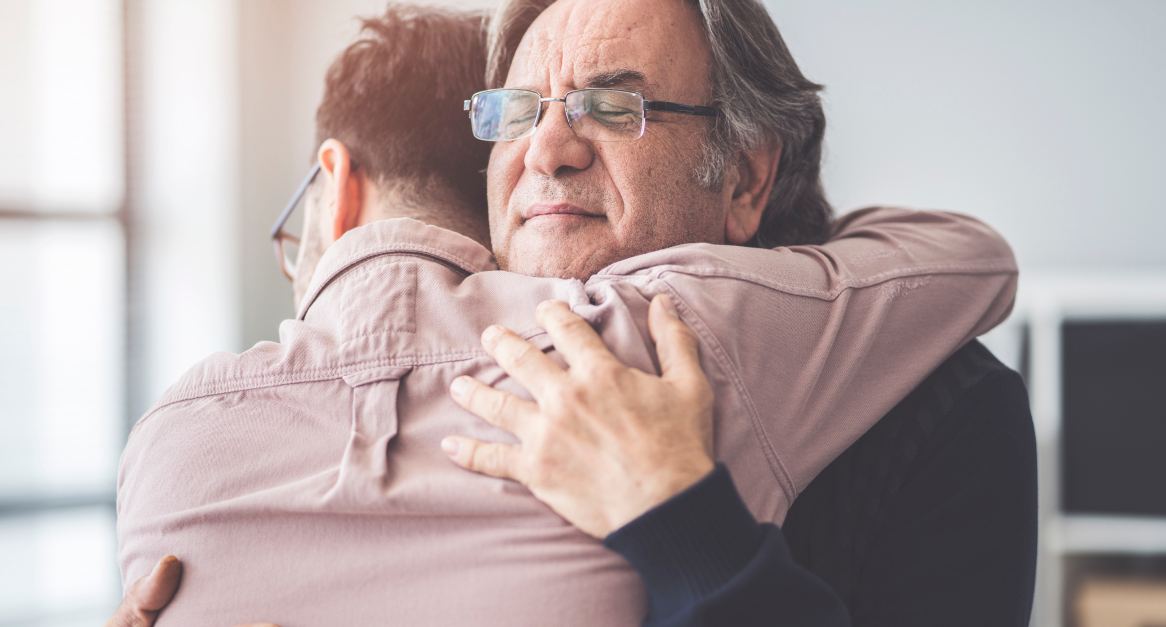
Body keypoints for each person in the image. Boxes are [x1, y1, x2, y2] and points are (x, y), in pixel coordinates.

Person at [109, 2, 1033, 626]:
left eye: (613, 105)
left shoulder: (939, 403)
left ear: (746, 179)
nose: (548, 147)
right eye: (518, 112)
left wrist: (681, 521)